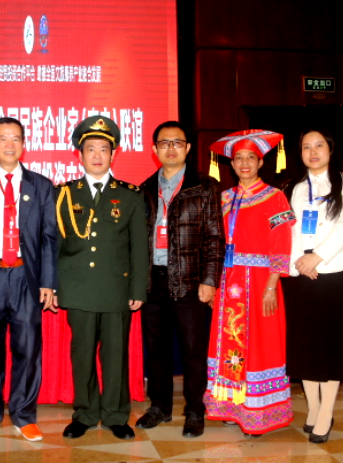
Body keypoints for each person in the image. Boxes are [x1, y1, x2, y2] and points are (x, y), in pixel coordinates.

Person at [0, 117, 57, 442]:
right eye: (3, 138)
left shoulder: (41, 185)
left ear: (24, 144)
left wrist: (48, 282)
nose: (9, 144)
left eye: (15, 138)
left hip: (25, 277)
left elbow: (49, 237)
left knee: (28, 348)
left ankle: (24, 414)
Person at [55, 116, 148, 440]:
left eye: (103, 149)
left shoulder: (131, 195)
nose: (97, 155)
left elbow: (138, 247)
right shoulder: (64, 194)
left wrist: (138, 288)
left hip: (115, 289)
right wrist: (54, 285)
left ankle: (115, 415)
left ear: (113, 154)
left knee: (115, 355)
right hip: (77, 288)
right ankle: (84, 414)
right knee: (82, 355)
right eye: (90, 149)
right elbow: (54, 244)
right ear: (79, 154)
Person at [204, 130, 295, 435]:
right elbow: (214, 244)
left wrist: (271, 285)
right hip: (228, 283)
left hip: (259, 283)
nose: (244, 163)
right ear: (231, 164)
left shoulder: (275, 197)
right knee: (229, 344)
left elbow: (281, 242)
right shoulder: (224, 199)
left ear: (260, 162)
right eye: (239, 158)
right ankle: (232, 405)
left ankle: (260, 412)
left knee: (260, 344)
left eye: (251, 158)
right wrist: (213, 283)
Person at [137, 121, 225, 437]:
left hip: (191, 281)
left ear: (187, 148)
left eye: (177, 142)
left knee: (192, 350)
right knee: (156, 349)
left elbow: (215, 237)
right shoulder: (144, 188)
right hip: (153, 281)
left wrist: (210, 280)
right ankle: (159, 407)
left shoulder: (204, 186)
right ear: (154, 149)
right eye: (164, 143)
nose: (170, 148)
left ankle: (195, 410)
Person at [282, 127, 343, 443]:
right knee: (306, 348)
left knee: (331, 348)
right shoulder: (295, 187)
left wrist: (317, 257)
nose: (313, 152)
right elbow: (289, 229)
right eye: (306, 147)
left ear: (330, 149)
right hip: (302, 276)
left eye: (319, 146)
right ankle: (314, 409)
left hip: (335, 275)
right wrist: (299, 264)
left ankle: (326, 412)